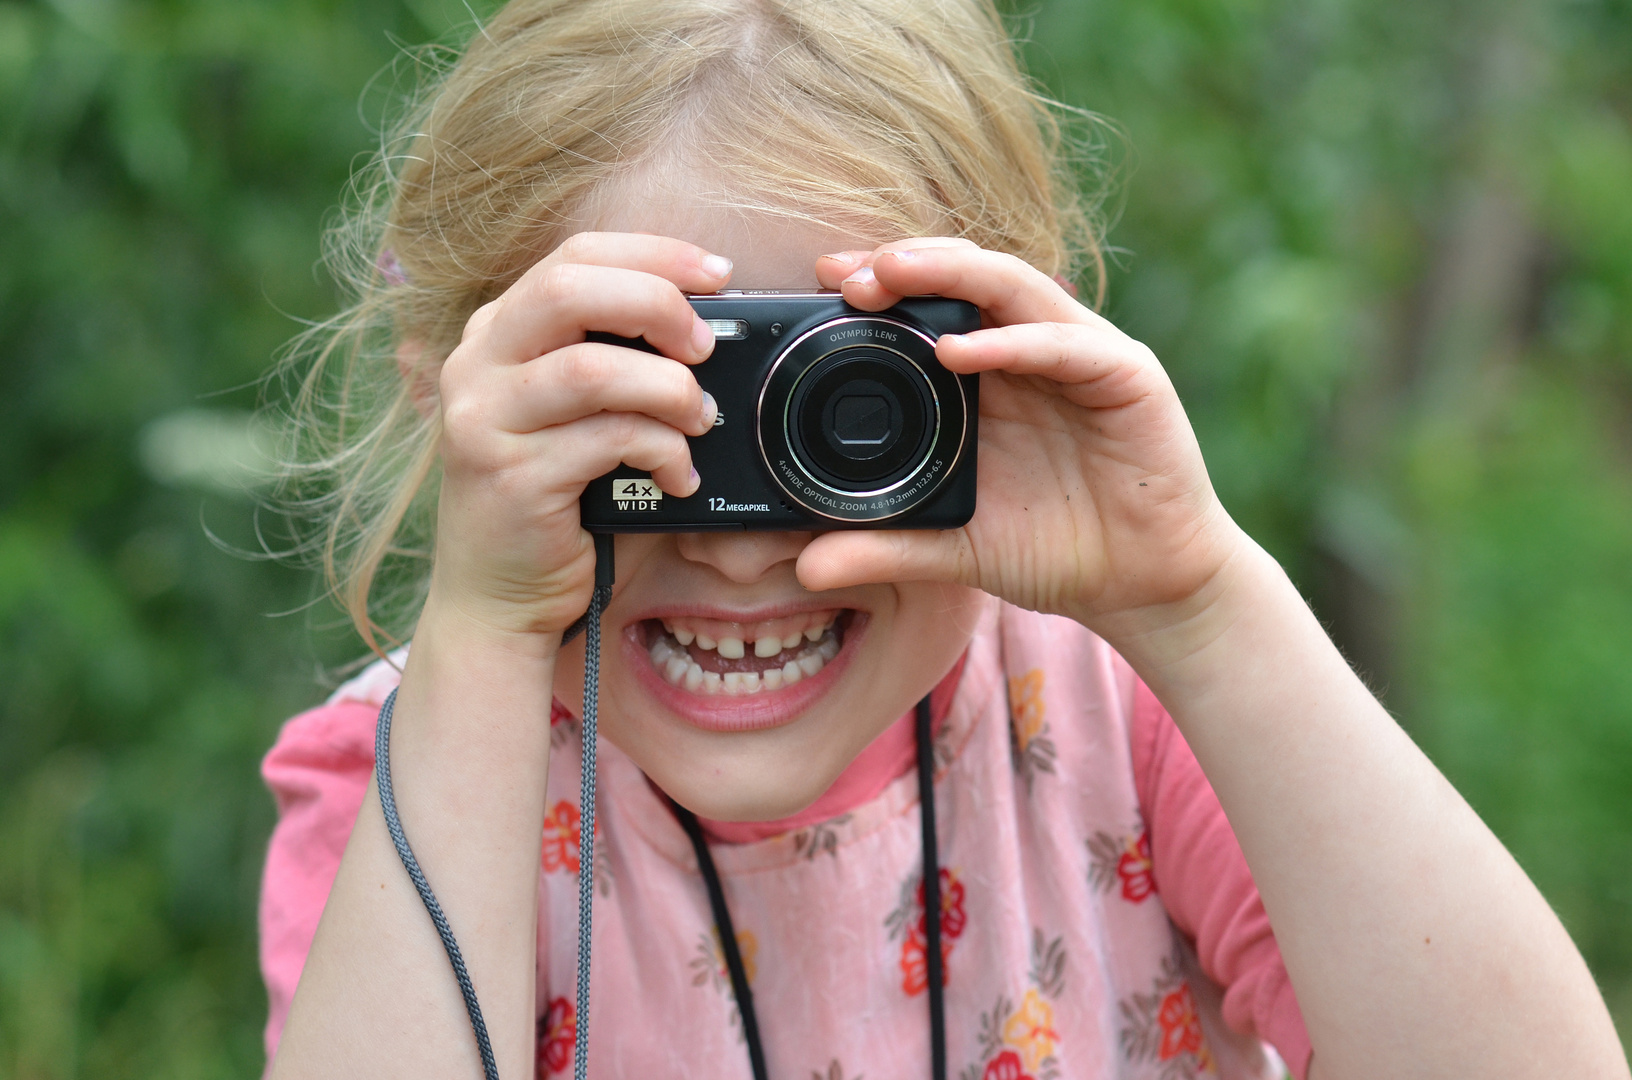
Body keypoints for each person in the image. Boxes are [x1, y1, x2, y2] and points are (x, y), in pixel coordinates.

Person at [256, 0, 1629, 1077]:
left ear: (1005, 362)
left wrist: (1201, 603)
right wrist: (487, 629)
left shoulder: (1133, 724)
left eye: (849, 409)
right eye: (635, 408)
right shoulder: (420, 779)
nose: (744, 547)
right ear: (452, 394)